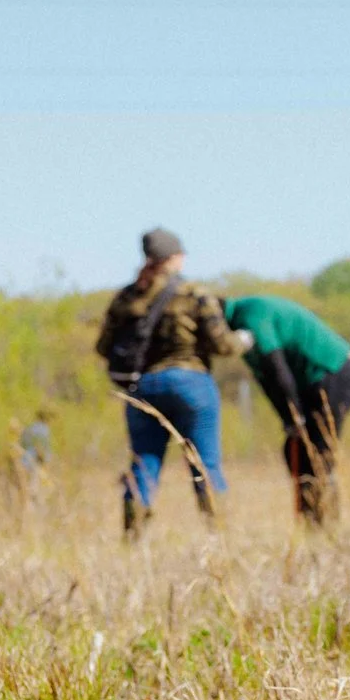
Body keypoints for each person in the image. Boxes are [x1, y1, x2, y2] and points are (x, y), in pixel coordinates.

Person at [96, 227, 245, 536]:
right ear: (175, 257)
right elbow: (223, 345)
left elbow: (103, 347)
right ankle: (219, 538)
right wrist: (245, 339)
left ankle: (132, 537)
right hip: (191, 384)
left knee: (144, 465)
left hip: (141, 389)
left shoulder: (127, 297)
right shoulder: (194, 294)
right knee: (205, 464)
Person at [224, 294, 350, 525]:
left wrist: (295, 416)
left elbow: (277, 370)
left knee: (319, 450)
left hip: (334, 371)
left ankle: (327, 524)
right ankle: (310, 520)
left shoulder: (252, 314)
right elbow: (268, 382)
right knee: (293, 448)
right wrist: (289, 420)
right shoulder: (241, 329)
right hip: (308, 384)